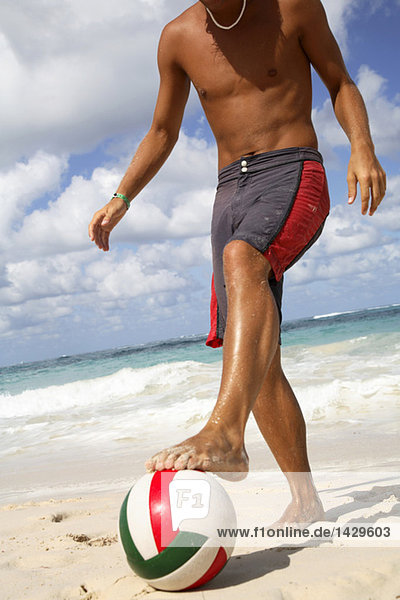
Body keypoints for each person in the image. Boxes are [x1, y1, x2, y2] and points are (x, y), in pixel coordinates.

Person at [88, 0, 386, 524]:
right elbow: (163, 130)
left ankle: (226, 432)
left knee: (241, 258)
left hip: (294, 171)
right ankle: (306, 501)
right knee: (254, 357)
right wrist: (121, 197)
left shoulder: (294, 8)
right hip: (229, 193)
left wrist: (362, 147)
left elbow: (340, 82)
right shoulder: (177, 37)